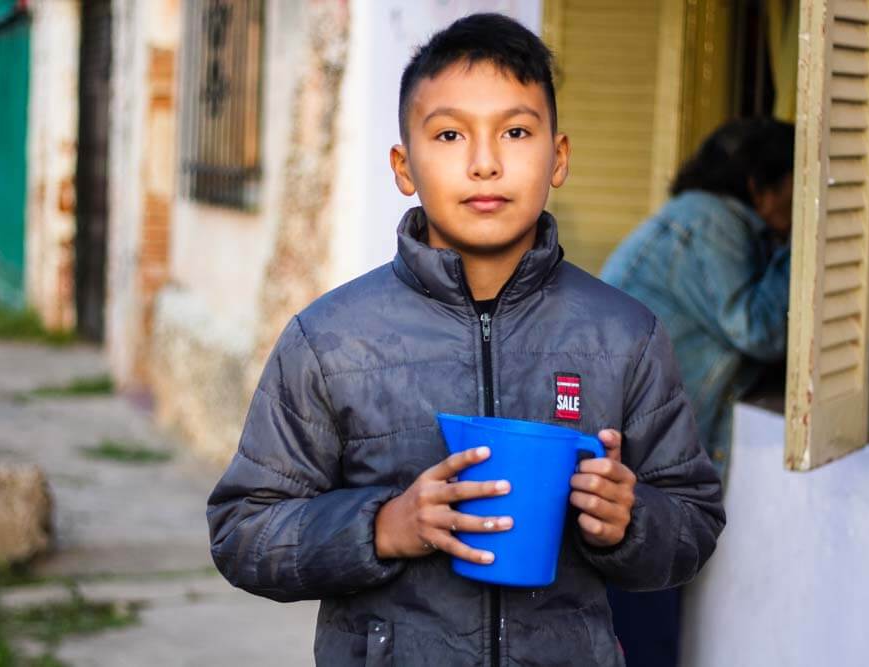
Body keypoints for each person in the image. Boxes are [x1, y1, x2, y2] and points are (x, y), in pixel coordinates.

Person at [207, 13, 725, 666]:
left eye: (515, 131)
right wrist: (381, 527)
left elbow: (695, 522)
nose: (485, 163)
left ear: (558, 157)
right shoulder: (332, 340)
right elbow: (242, 532)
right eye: (449, 134)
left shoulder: (624, 335)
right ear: (404, 165)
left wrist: (630, 521)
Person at [599, 117, 795, 667]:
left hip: (632, 448)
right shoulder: (713, 222)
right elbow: (758, 327)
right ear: (760, 186)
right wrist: (802, 246)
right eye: (794, 193)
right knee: (638, 628)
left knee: (632, 623)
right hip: (635, 459)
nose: (796, 209)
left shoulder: (694, 218)